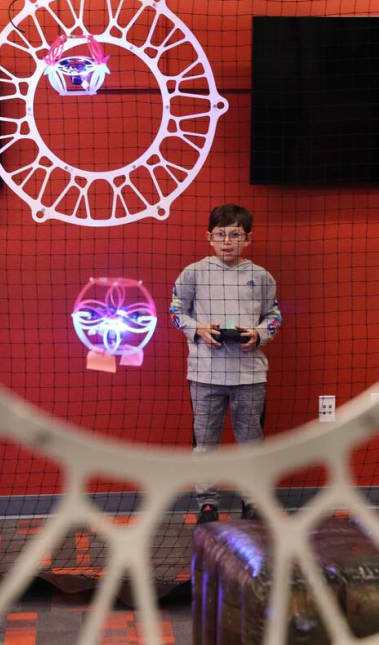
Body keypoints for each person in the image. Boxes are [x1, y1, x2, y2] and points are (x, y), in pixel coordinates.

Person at [169, 203, 282, 524]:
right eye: (221, 235)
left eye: (235, 235)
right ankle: (207, 502)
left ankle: (253, 500)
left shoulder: (261, 277)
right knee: (205, 442)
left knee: (252, 442)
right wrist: (197, 329)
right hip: (204, 374)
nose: (227, 241)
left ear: (248, 239)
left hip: (250, 375)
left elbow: (274, 314)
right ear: (209, 237)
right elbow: (176, 310)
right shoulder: (192, 273)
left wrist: (259, 335)